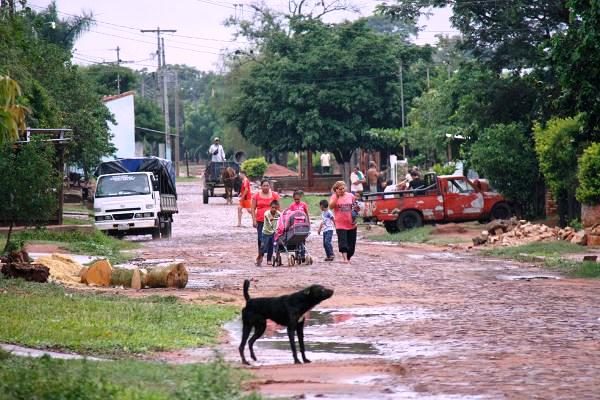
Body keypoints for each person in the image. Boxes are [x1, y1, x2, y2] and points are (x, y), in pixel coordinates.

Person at [252, 180, 281, 264]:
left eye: (267, 185)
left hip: (272, 221)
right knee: (261, 239)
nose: (266, 187)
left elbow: (279, 208)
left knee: (271, 239)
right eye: (264, 185)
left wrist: (280, 220)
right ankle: (260, 256)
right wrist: (254, 220)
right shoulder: (256, 196)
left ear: (269, 186)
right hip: (260, 221)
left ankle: (269, 259)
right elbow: (253, 209)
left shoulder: (274, 195)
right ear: (261, 186)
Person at [329, 181, 358, 263]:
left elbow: (355, 207)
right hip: (340, 224)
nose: (342, 190)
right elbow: (331, 206)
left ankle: (348, 257)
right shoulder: (334, 197)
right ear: (336, 190)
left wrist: (355, 216)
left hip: (351, 223)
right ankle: (345, 258)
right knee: (343, 242)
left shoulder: (350, 196)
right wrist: (337, 197)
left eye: (343, 188)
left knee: (351, 244)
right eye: (340, 189)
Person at [256, 200, 281, 266]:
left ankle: (269, 259)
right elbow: (268, 218)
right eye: (272, 207)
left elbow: (282, 217)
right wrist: (271, 219)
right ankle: (260, 257)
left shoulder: (278, 213)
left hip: (273, 232)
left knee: (271, 246)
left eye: (275, 208)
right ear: (270, 207)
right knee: (263, 246)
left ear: (277, 208)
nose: (274, 209)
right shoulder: (266, 213)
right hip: (266, 232)